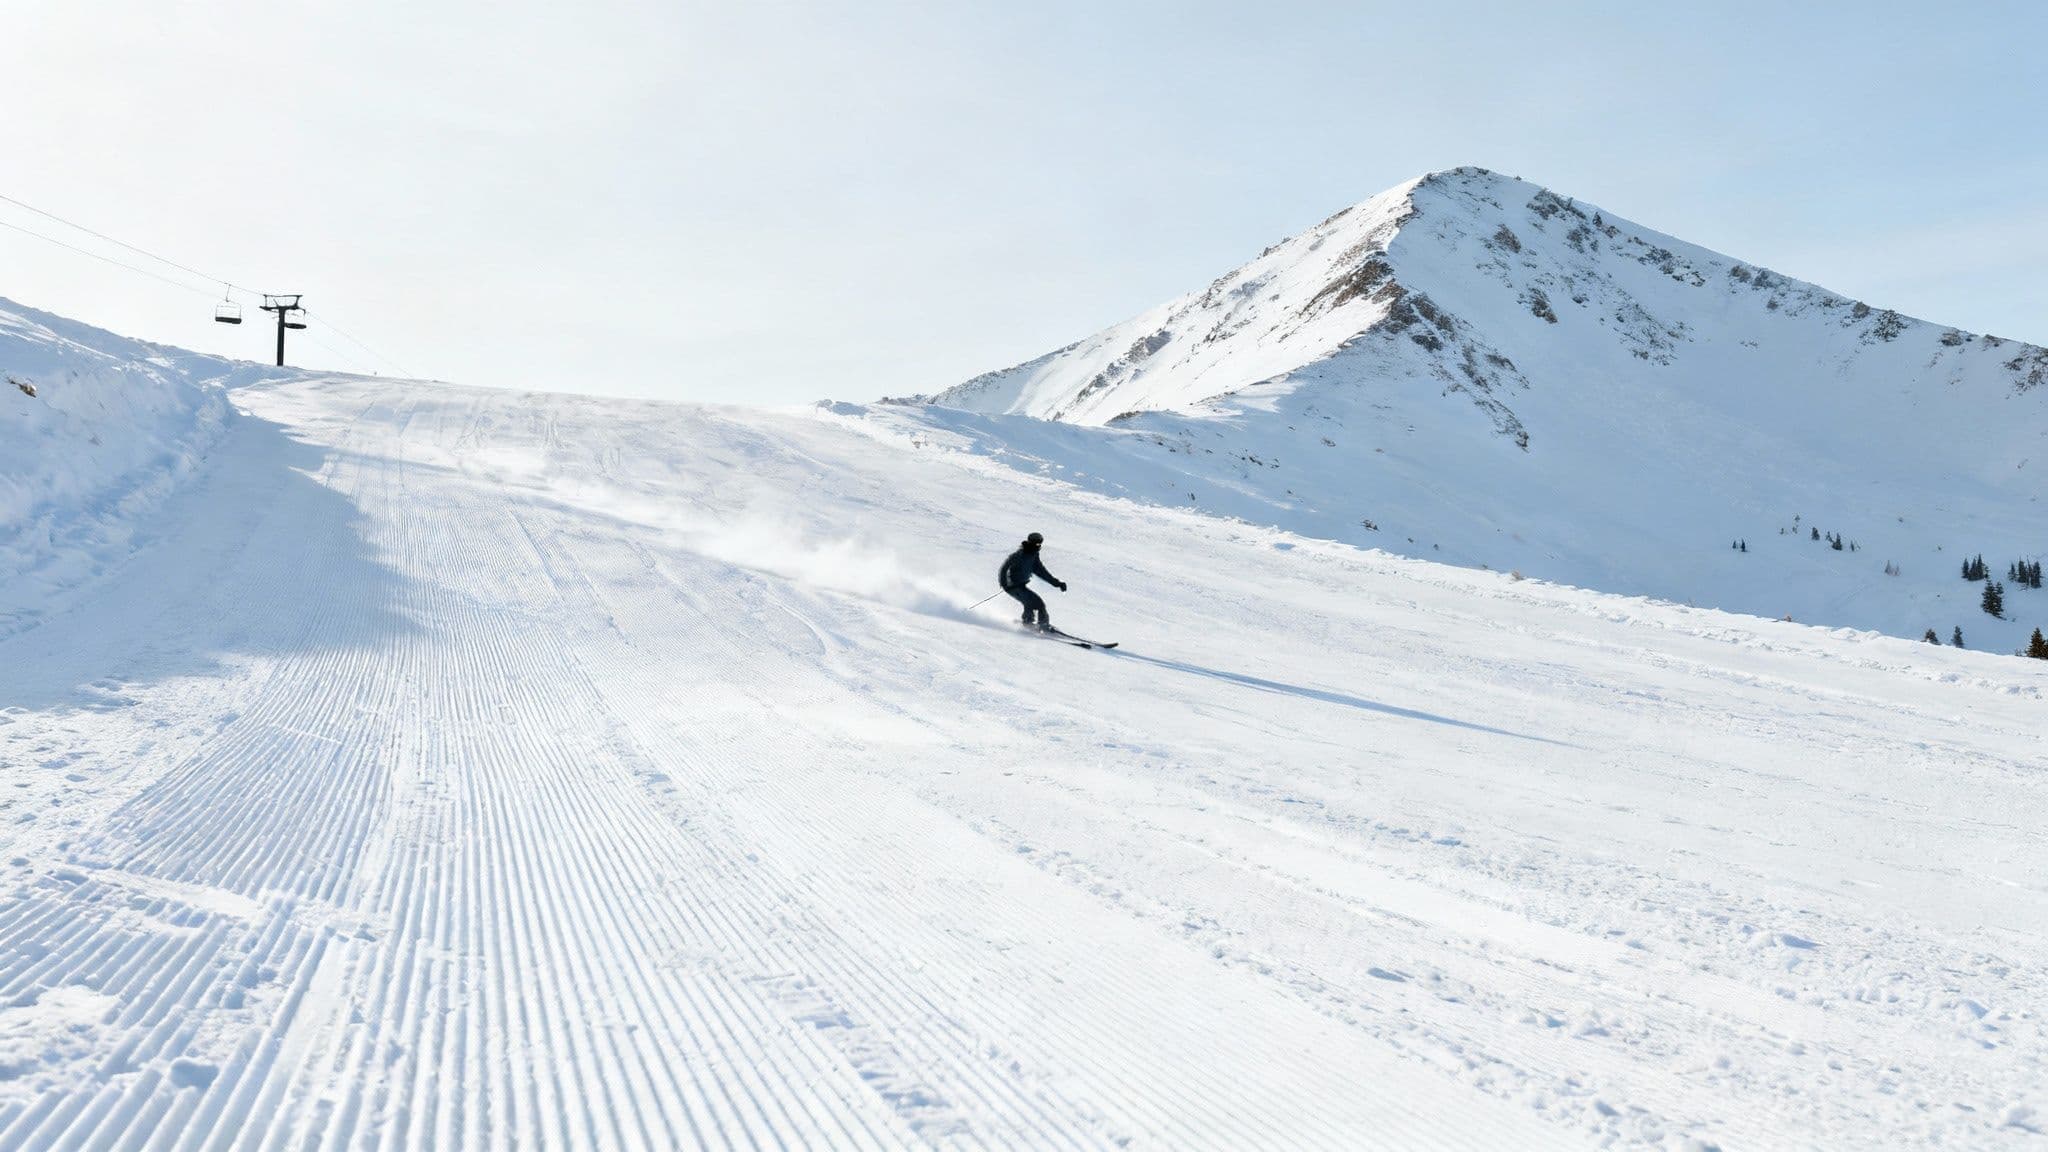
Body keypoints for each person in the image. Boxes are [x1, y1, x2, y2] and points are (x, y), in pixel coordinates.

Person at [998, 531, 1066, 632]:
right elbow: (1004, 568)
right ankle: (1035, 625)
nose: (1038, 546)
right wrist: (1005, 583)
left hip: (1020, 586)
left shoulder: (1033, 556)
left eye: (1039, 544)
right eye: (1036, 544)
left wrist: (1057, 583)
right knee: (1034, 603)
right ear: (1030, 543)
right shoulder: (1019, 555)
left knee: (1035, 603)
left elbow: (1042, 572)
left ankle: (1032, 623)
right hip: (1013, 586)